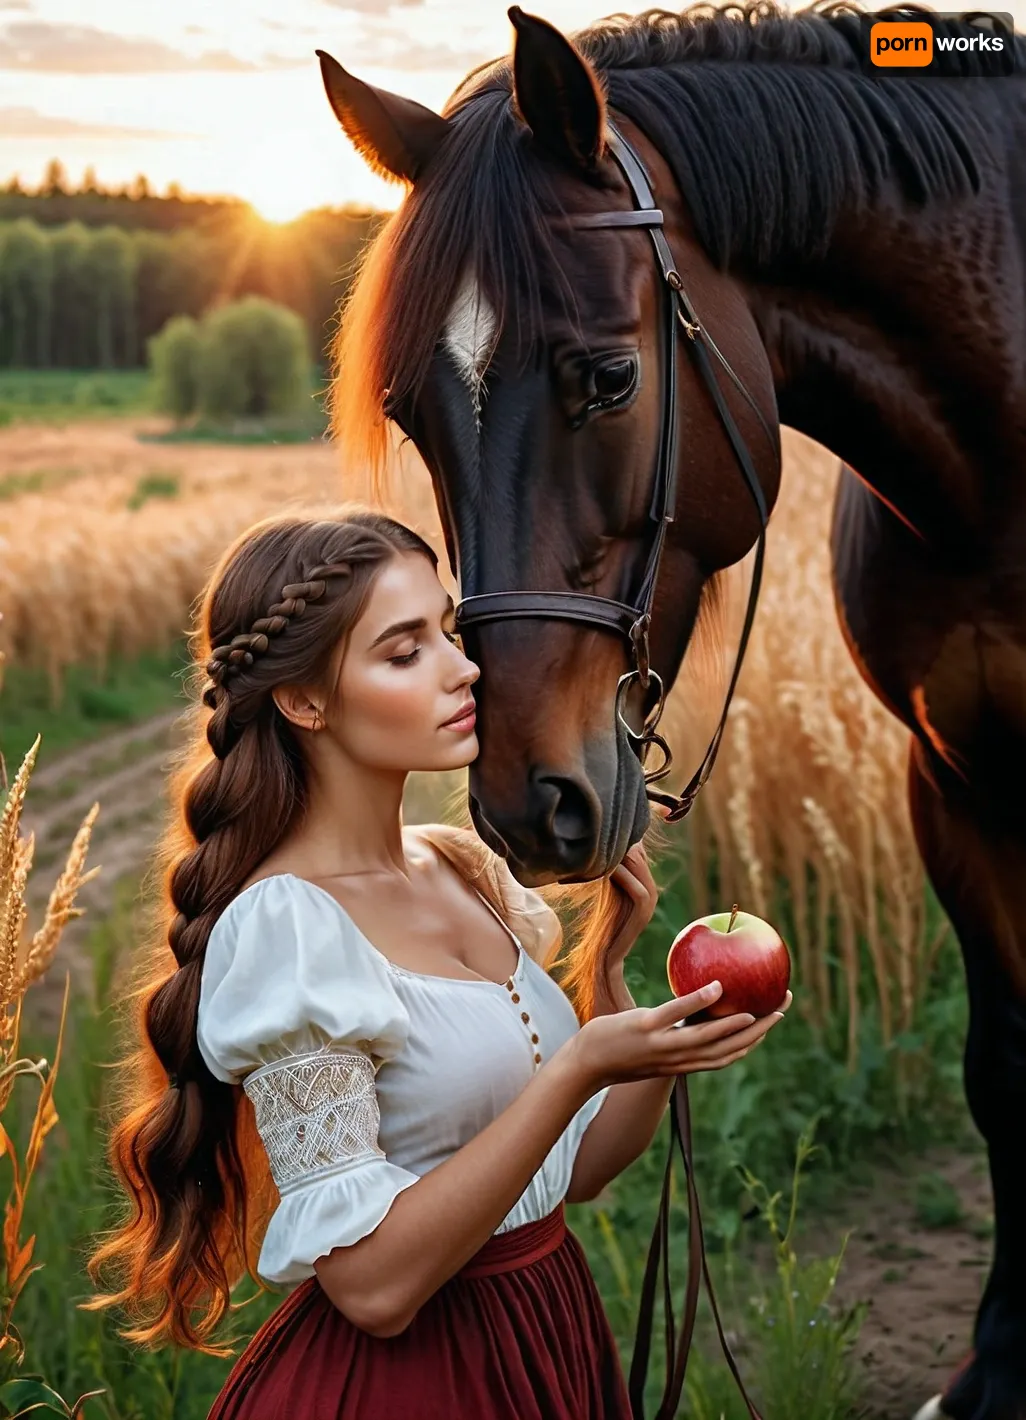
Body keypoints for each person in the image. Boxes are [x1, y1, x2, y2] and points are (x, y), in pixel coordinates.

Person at [83, 508, 790, 1419]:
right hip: (417, 1381)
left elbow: (575, 1171)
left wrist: (629, 1001)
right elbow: (373, 1289)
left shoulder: (459, 867)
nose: (464, 669)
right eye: (404, 651)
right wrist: (578, 1065)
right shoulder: (291, 930)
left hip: (544, 1330)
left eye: (450, 632)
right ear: (304, 702)